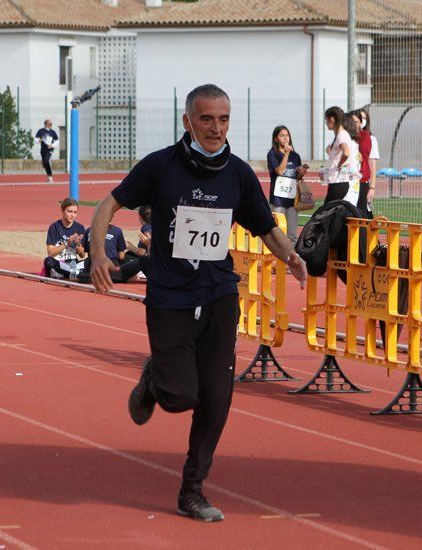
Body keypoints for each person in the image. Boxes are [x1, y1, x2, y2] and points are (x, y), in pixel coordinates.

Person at [86, 84, 306, 523]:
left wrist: (292, 257)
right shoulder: (160, 166)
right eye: (207, 119)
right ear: (188, 121)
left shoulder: (238, 174)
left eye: (223, 119)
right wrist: (97, 256)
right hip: (170, 298)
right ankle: (153, 383)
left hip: (219, 294)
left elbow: (266, 228)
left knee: (217, 398)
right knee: (178, 396)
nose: (216, 128)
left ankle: (192, 489)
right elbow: (105, 207)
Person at [267, 125, 307, 243]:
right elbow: (279, 171)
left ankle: (291, 259)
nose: (285, 138)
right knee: (278, 233)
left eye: (287, 135)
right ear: (276, 139)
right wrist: (287, 154)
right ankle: (277, 260)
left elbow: (297, 177)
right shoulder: (272, 154)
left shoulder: (296, 156)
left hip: (292, 200)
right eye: (282, 136)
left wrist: (301, 173)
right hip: (278, 200)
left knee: (292, 235)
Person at [44, 197, 87, 280]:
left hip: (74, 263)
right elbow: (50, 253)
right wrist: (67, 243)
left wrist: (77, 245)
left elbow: (82, 255)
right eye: (69, 211)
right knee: (48, 261)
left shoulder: (80, 228)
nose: (72, 215)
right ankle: (76, 273)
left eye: (75, 212)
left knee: (91, 261)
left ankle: (64, 273)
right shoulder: (54, 227)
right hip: (59, 262)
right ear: (63, 211)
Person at [323, 106, 359, 203]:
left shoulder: (341, 135)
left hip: (338, 181)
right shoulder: (340, 135)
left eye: (326, 120)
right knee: (332, 211)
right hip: (337, 181)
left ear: (331, 119)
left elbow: (346, 153)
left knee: (326, 211)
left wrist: (339, 164)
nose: (325, 123)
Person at [348, 109, 374, 216]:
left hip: (361, 180)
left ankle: (362, 233)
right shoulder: (346, 137)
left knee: (360, 211)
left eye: (356, 122)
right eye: (351, 122)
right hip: (348, 178)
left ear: (360, 123)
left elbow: (362, 157)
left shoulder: (364, 136)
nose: (353, 125)